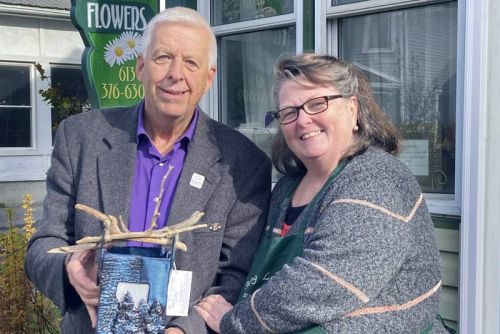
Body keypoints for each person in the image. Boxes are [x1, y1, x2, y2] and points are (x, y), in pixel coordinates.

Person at [25, 7, 271, 334]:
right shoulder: (81, 137)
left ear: (209, 77)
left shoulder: (243, 164)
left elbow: (236, 275)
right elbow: (44, 246)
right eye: (163, 57)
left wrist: (185, 328)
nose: (175, 74)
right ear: (141, 66)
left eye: (191, 62)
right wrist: (69, 270)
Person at [195, 53, 447, 333]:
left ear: (352, 109)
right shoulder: (286, 188)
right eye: (289, 112)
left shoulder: (378, 180)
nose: (303, 121)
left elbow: (321, 284)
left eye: (317, 104)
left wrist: (234, 321)